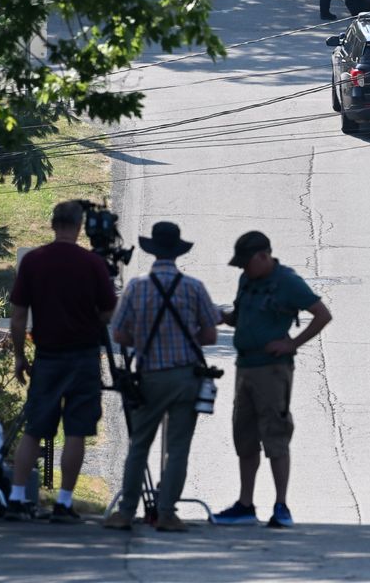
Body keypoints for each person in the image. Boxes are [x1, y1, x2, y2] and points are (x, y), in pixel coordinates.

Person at [102, 222, 220, 533]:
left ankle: (126, 512)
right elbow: (209, 334)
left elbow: (118, 333)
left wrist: (143, 340)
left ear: (152, 251)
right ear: (177, 252)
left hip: (150, 376)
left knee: (139, 445)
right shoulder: (193, 287)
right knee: (178, 447)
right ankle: (166, 513)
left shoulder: (137, 288)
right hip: (186, 377)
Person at [211, 231, 333, 528]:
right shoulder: (247, 279)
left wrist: (293, 344)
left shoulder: (287, 281)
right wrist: (221, 316)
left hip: (272, 370)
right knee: (245, 437)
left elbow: (322, 314)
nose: (243, 269)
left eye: (247, 263)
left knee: (275, 434)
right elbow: (241, 316)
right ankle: (245, 504)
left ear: (264, 257)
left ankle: (281, 506)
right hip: (245, 366)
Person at [6, 200, 118, 523]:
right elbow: (109, 311)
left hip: (47, 357)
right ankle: (64, 503)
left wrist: (18, 357)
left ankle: (16, 499)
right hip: (82, 357)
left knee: (34, 427)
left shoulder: (34, 262)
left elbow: (17, 318)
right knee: (76, 430)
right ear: (79, 226)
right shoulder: (92, 264)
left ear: (53, 225)